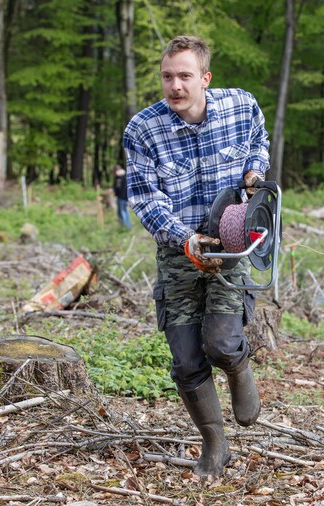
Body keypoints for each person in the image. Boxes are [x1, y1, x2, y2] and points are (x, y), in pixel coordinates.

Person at [123, 35, 269, 478]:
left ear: (205, 78)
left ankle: (238, 367)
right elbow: (145, 199)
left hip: (230, 243)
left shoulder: (240, 106)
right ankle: (214, 444)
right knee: (186, 360)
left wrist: (255, 171)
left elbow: (258, 139)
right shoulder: (143, 129)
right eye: (168, 76)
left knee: (221, 342)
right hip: (178, 251)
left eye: (185, 76)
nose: (175, 85)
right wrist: (183, 237)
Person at [112, 165, 131, 230]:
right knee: (123, 212)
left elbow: (123, 188)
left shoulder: (122, 177)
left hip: (123, 197)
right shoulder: (120, 177)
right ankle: (125, 226)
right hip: (122, 197)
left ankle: (125, 227)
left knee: (123, 212)